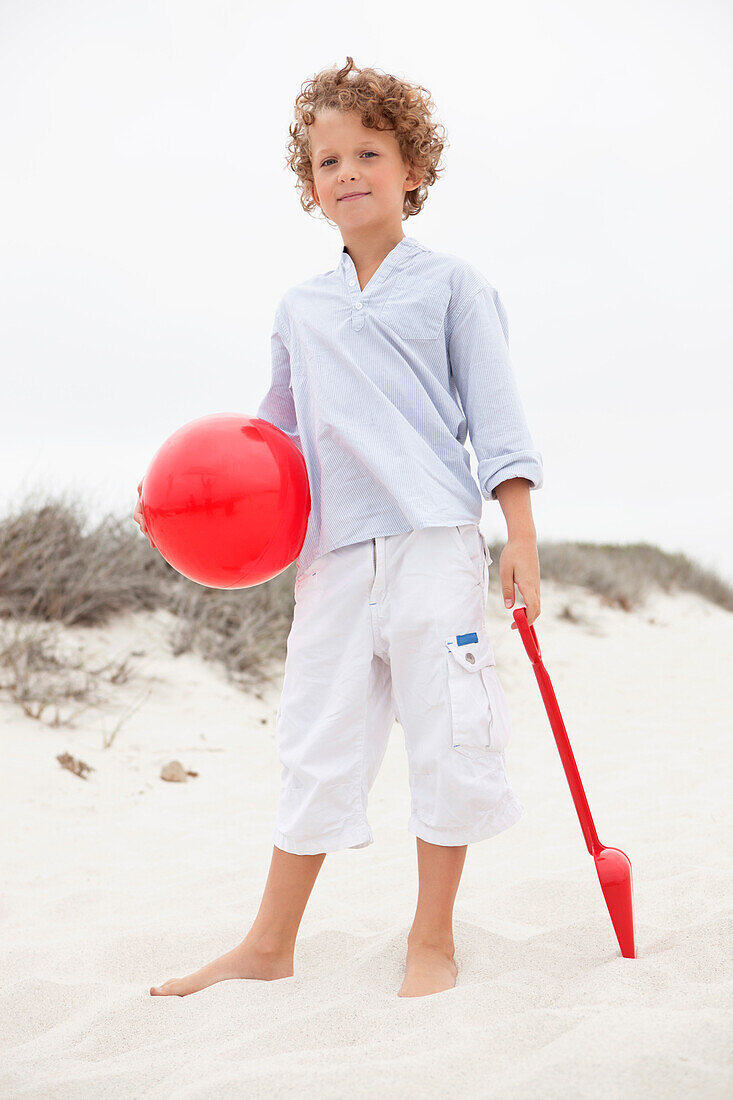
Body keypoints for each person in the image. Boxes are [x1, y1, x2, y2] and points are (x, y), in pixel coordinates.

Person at [139, 56, 543, 1000]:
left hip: (432, 540)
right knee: (315, 741)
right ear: (309, 182)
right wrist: (175, 503)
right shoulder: (301, 307)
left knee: (446, 734)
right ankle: (269, 945)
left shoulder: (452, 286)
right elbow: (268, 438)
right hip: (329, 558)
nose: (348, 171)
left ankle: (431, 939)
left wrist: (518, 535)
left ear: (412, 168)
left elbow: (499, 420)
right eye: (328, 160)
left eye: (369, 151)